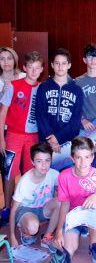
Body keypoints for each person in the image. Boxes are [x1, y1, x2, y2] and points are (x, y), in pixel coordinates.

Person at [0, 51, 44, 223]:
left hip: (33, 137)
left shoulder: (42, 88)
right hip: (13, 135)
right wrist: (1, 139)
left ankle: (26, 204)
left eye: (37, 68)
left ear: (41, 70)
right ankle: (7, 207)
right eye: (30, 68)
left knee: (29, 171)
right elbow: (2, 113)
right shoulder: (13, 85)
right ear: (25, 68)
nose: (33, 71)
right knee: (9, 171)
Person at [54, 136, 96, 263]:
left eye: (86, 157)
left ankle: (94, 245)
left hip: (91, 213)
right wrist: (58, 231)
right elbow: (64, 204)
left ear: (92, 157)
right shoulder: (64, 176)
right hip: (73, 216)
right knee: (68, 250)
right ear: (72, 158)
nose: (83, 162)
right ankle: (77, 231)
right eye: (78, 157)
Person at [9, 142, 60, 252]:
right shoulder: (24, 181)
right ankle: (25, 230)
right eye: (39, 161)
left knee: (60, 201)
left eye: (47, 160)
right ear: (32, 162)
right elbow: (13, 210)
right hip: (26, 210)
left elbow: (59, 194)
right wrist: (12, 237)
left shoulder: (54, 174)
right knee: (32, 228)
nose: (44, 165)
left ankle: (47, 237)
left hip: (43, 209)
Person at [35, 48, 83, 155]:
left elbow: (75, 120)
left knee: (66, 171)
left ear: (69, 65)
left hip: (67, 142)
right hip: (46, 140)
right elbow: (40, 115)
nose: (60, 67)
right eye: (57, 63)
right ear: (52, 65)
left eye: (63, 63)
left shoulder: (77, 90)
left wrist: (58, 137)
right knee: (45, 170)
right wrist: (51, 138)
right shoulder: (43, 87)